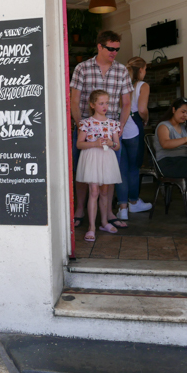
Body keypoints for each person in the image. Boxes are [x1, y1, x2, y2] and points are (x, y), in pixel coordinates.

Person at [70, 31, 133, 229]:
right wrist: (81, 124)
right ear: (99, 46)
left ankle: (107, 213)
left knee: (110, 172)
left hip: (110, 129)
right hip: (86, 128)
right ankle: (79, 209)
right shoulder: (82, 68)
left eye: (117, 49)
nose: (114, 52)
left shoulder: (122, 70)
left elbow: (126, 102)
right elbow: (74, 99)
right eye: (111, 48)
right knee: (82, 169)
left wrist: (120, 126)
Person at [76, 90, 123, 242]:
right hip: (92, 158)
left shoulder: (112, 124)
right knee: (94, 191)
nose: (105, 106)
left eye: (107, 103)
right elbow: (79, 144)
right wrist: (94, 143)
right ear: (92, 105)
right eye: (101, 103)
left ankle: (104, 222)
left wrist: (111, 143)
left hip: (106, 158)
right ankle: (91, 227)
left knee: (104, 191)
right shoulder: (86, 123)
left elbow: (117, 146)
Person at [116, 57, 153, 219]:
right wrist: (146, 118)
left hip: (118, 128)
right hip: (134, 128)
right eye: (145, 69)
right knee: (133, 168)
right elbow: (143, 109)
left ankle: (122, 209)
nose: (145, 72)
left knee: (121, 170)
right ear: (140, 70)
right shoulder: (142, 86)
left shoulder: (120, 84)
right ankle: (134, 202)